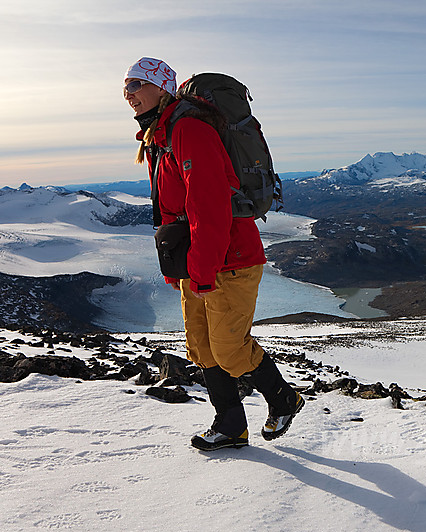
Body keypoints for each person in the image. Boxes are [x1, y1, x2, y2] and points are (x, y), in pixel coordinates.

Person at [124, 57, 303, 451]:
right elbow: (173, 208)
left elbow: (209, 203)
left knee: (230, 349)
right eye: (126, 86)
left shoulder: (189, 128)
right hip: (197, 259)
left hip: (231, 258)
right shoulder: (161, 133)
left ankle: (284, 399)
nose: (129, 92)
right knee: (201, 347)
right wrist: (177, 264)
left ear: (163, 87)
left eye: (138, 83)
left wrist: (201, 268)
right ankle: (230, 426)